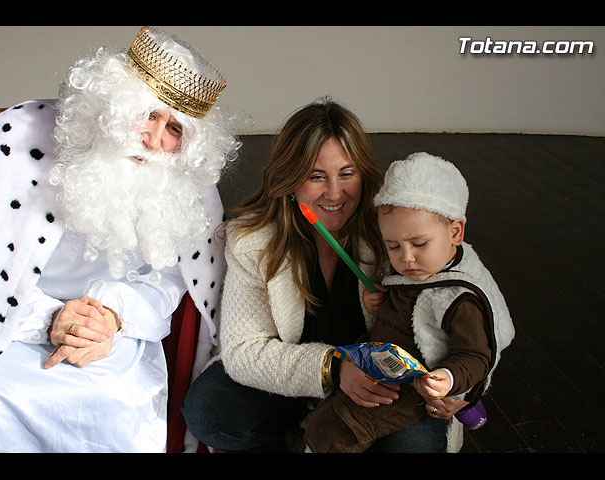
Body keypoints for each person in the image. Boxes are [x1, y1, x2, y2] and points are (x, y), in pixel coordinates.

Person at [0, 26, 241, 452]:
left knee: (118, 407)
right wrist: (46, 318)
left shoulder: (183, 181)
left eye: (175, 128)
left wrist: (111, 314)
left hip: (110, 338)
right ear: (112, 102)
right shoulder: (13, 140)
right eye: (148, 113)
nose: (154, 139)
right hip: (3, 328)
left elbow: (170, 282)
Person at [182, 99, 468, 453]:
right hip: (292, 382)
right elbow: (243, 351)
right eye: (316, 176)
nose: (335, 194)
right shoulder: (251, 241)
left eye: (347, 174)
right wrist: (333, 369)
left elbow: (467, 311)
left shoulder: (398, 231)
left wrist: (461, 387)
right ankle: (305, 433)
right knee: (209, 410)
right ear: (289, 181)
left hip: (382, 390)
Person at [302, 152, 516, 453]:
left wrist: (449, 377)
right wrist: (379, 302)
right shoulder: (419, 268)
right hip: (383, 364)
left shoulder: (461, 298)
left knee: (346, 428)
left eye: (419, 244)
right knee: (328, 418)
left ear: (455, 232)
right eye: (393, 246)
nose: (407, 258)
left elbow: (477, 355)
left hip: (416, 389)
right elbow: (409, 304)